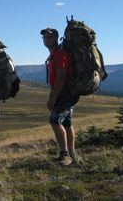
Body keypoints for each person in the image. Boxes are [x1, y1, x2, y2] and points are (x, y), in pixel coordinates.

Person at [41, 28, 80, 166]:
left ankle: (65, 154)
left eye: (50, 37)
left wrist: (52, 98)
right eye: (44, 37)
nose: (46, 39)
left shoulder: (60, 53)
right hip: (65, 92)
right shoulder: (54, 54)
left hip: (66, 93)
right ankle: (72, 154)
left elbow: (61, 77)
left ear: (56, 38)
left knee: (54, 119)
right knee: (67, 123)